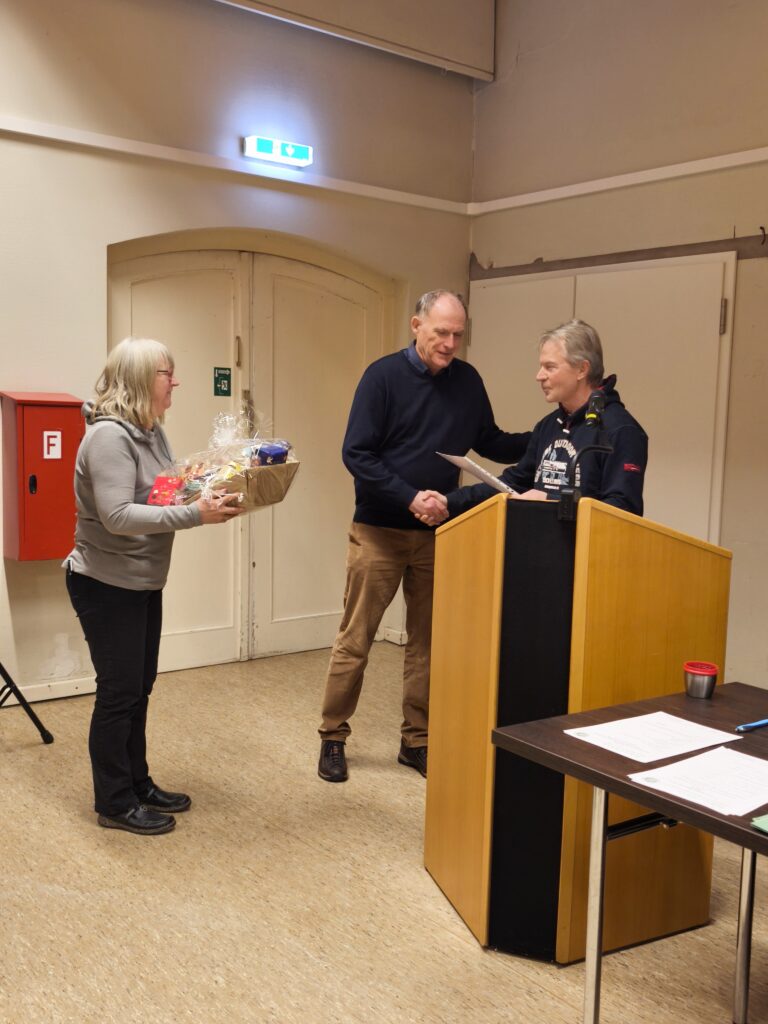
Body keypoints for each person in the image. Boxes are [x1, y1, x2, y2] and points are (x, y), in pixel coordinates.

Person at [317, 290, 530, 784]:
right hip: (379, 531)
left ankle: (416, 741)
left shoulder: (467, 381)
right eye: (441, 333)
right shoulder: (382, 378)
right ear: (416, 326)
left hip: (438, 533)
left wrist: (546, 434)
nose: (450, 344)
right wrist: (410, 497)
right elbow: (357, 454)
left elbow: (491, 441)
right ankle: (332, 736)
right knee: (356, 639)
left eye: (458, 335)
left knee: (427, 645)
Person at [65, 337, 242, 836]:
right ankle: (114, 803)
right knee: (118, 693)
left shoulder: (151, 431)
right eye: (167, 373)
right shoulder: (108, 438)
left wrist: (212, 490)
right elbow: (118, 516)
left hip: (141, 580)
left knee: (139, 688)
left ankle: (137, 783)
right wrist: (196, 515)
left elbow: (167, 491)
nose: (175, 382)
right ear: (142, 380)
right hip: (105, 583)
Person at [423, 319, 647, 523]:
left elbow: (623, 510)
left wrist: (551, 500)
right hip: (540, 546)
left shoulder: (621, 430)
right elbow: (514, 483)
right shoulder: (548, 426)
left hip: (589, 552)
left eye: (550, 367)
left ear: (582, 369)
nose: (539, 376)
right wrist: (449, 501)